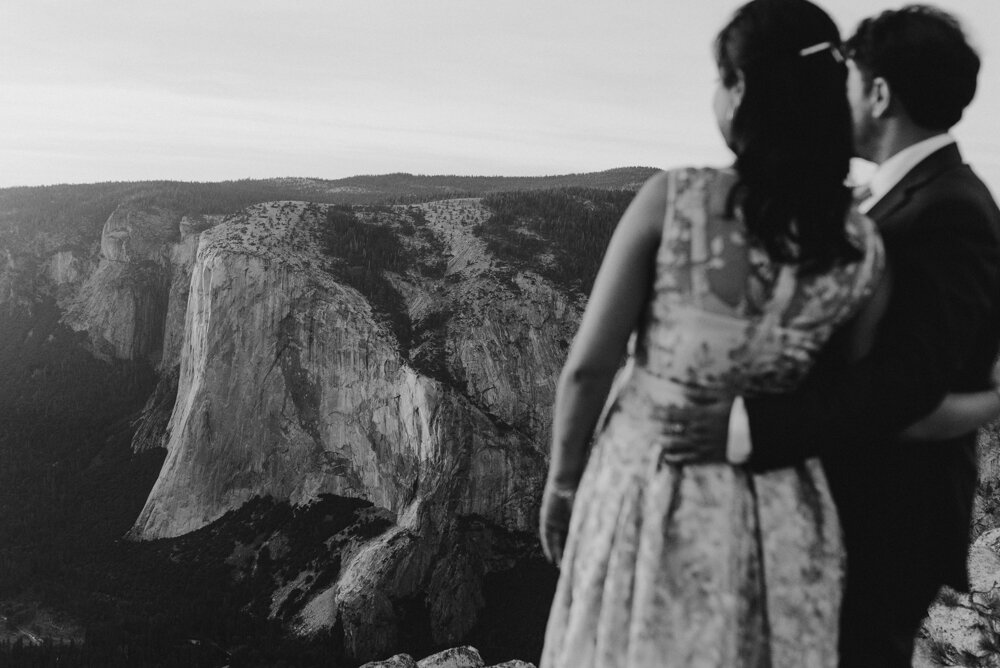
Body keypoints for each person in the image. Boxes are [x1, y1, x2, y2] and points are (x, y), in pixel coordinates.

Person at [538, 1, 883, 665]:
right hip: (784, 508)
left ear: (744, 89)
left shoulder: (677, 200)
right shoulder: (862, 247)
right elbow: (855, 399)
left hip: (653, 487)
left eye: (720, 78)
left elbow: (588, 367)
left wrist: (563, 481)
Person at [732, 6, 1000, 666]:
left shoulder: (950, 209)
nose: (835, 97)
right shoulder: (915, 196)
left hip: (890, 519)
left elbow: (905, 385)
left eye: (846, 79)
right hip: (870, 508)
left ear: (879, 94)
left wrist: (752, 430)